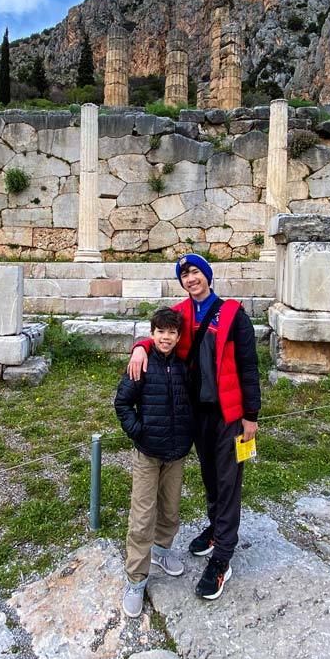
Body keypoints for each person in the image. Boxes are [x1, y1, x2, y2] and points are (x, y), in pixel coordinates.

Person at [128, 253, 260, 601]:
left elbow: (249, 366)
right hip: (196, 414)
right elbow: (161, 335)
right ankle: (216, 530)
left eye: (196, 272)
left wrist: (252, 415)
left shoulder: (233, 314)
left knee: (229, 481)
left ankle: (222, 558)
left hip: (229, 414)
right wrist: (139, 348)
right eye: (185, 275)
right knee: (210, 476)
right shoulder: (183, 314)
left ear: (207, 276)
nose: (191, 279)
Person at [114, 306, 194, 618]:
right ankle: (136, 580)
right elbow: (122, 402)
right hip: (148, 453)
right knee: (142, 516)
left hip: (176, 452)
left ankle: (161, 550)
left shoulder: (183, 365)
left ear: (178, 336)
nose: (166, 337)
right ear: (152, 334)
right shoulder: (142, 363)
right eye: (160, 332)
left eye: (172, 332)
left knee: (171, 509)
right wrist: (138, 432)